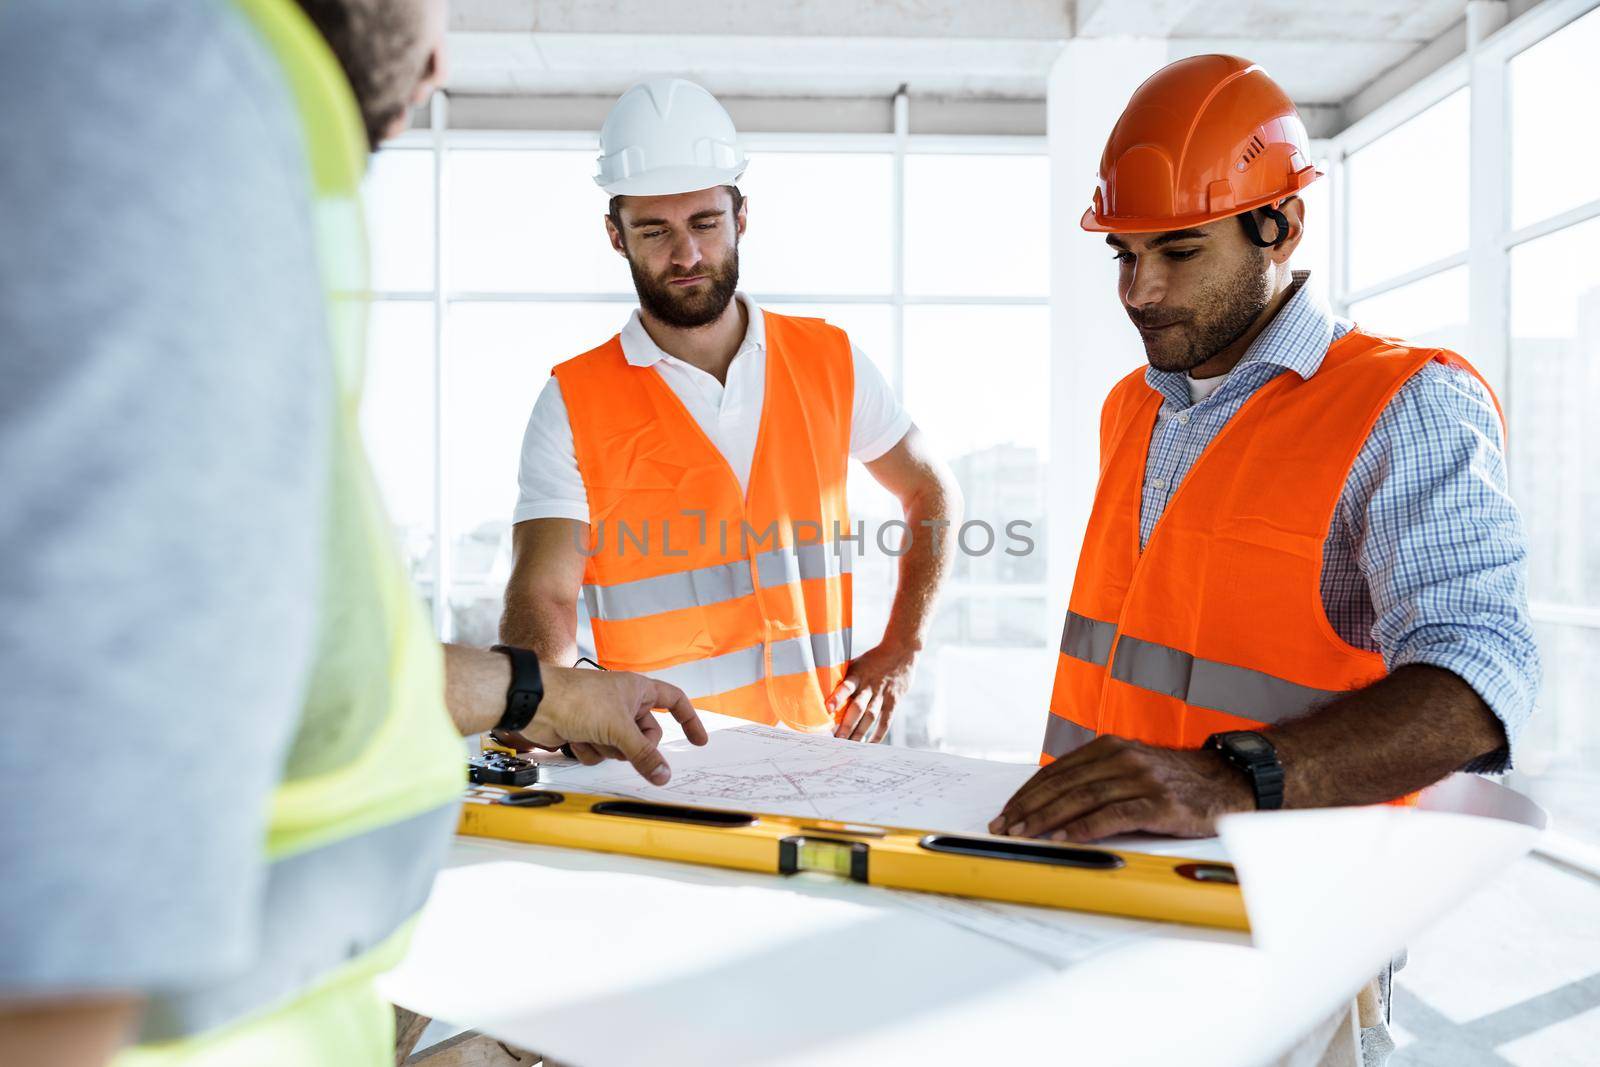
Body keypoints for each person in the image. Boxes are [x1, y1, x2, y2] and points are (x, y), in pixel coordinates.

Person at [0, 2, 702, 1065]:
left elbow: (252, 662)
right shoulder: (159, 85)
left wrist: (544, 690)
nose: (438, 56)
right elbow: (56, 925)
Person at [993, 54, 1539, 844]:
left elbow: (1484, 675)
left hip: (1296, 905)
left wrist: (1229, 779)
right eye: (1125, 254)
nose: (1139, 291)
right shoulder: (1133, 404)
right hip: (1106, 870)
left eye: (1179, 253)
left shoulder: (1406, 404)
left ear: (1279, 226)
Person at [500, 78, 962, 746]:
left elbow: (930, 488)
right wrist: (554, 697)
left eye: (705, 223)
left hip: (820, 754)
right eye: (654, 230)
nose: (685, 255)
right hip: (663, 767)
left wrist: (904, 644)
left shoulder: (830, 360)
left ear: (741, 217)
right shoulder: (572, 402)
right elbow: (541, 592)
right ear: (615, 235)